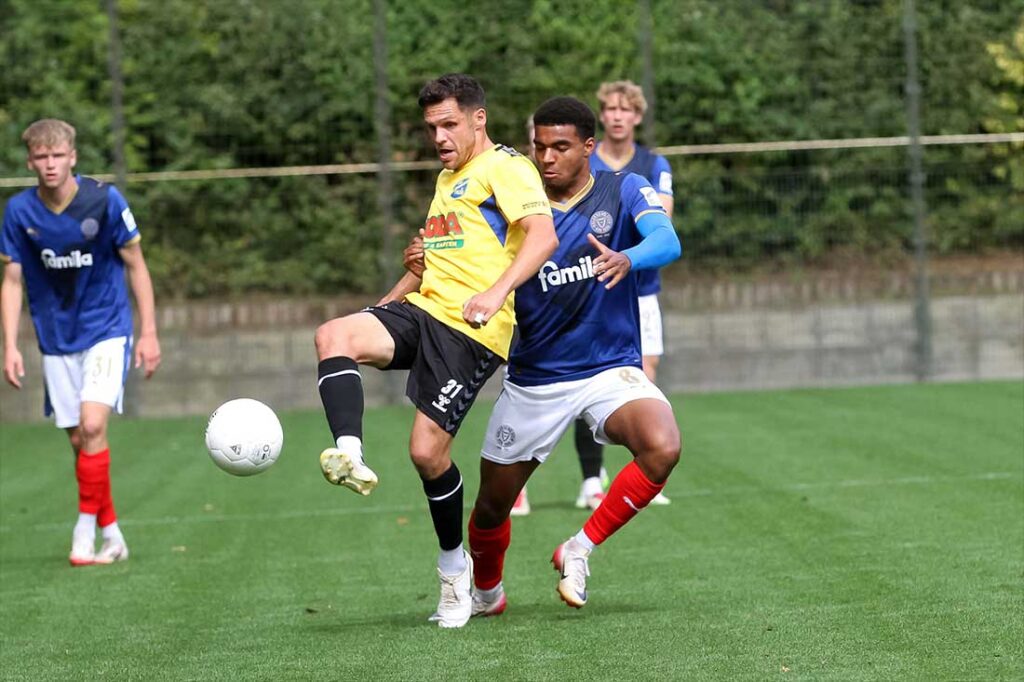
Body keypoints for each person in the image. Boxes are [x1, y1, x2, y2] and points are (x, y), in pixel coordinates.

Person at [313, 74, 558, 629]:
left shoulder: (507, 168)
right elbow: (432, 262)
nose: (440, 137)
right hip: (424, 311)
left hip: (471, 331)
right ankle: (349, 452)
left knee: (426, 454)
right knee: (334, 335)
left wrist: (496, 295)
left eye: (449, 124)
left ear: (479, 118)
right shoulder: (448, 178)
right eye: (431, 128)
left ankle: (454, 571)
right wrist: (385, 302)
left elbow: (542, 237)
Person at [461, 96, 681, 615]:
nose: (546, 157)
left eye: (560, 146)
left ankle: (579, 548)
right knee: (491, 507)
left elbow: (667, 239)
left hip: (609, 369)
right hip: (536, 378)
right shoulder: (515, 204)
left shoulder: (622, 188)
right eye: (539, 146)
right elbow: (466, 260)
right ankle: (488, 592)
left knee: (662, 445)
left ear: (588, 147)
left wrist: (629, 256)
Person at [1, 118, 162, 566]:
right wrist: (10, 345)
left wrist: (148, 332)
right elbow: (12, 280)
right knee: (80, 442)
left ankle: (83, 534)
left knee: (93, 426)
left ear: (72, 157)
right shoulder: (19, 212)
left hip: (107, 329)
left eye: (58, 156)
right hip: (55, 338)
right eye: (41, 157)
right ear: (30, 161)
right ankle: (112, 533)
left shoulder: (104, 200)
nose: (50, 165)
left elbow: (137, 266)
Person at [575, 78, 676, 509]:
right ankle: (590, 477)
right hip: (594, 287)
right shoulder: (586, 160)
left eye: (625, 110)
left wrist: (628, 250)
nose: (617, 116)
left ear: (637, 116)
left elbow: (661, 220)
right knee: (589, 378)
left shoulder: (654, 164)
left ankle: (641, 476)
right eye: (610, 109)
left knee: (643, 376)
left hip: (641, 289)